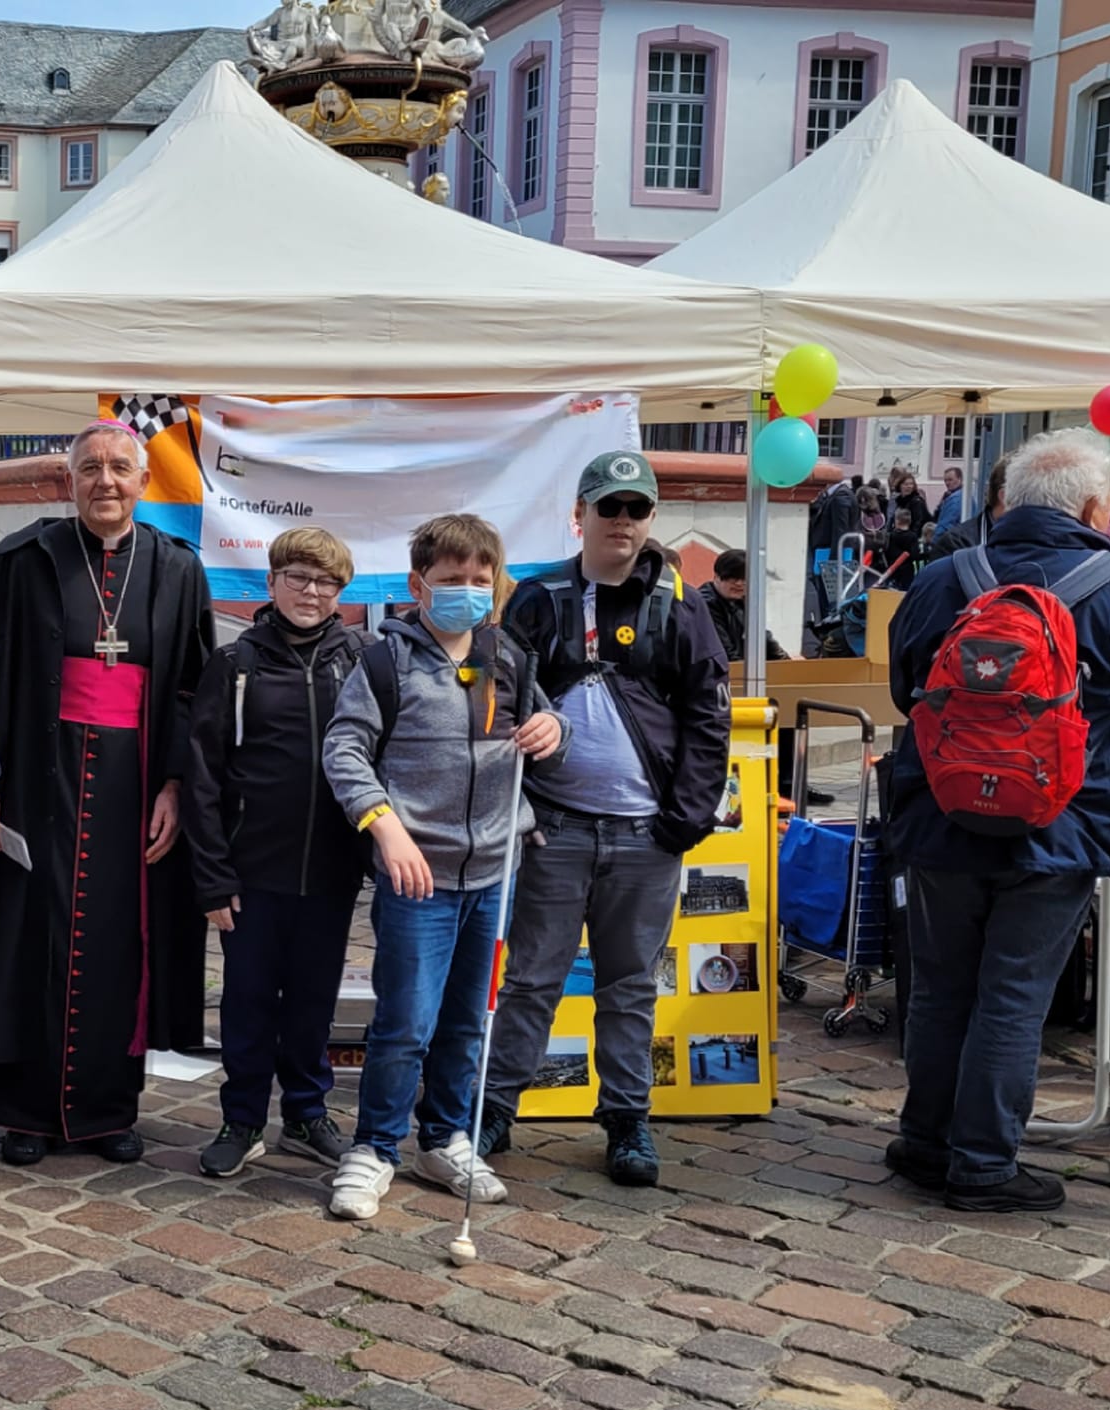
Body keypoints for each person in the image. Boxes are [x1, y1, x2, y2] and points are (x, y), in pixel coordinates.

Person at [885, 428, 1110, 1212]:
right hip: (1060, 823)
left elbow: (904, 689)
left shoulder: (945, 576)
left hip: (942, 812)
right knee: (1015, 994)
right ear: (1097, 507)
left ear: (1005, 501)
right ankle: (985, 1163)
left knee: (940, 986)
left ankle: (925, 1141)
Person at [0, 421, 213, 1167]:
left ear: (144, 482)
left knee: (118, 941)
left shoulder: (178, 568)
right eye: (89, 468)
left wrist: (175, 781)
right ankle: (24, 1111)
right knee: (32, 936)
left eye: (120, 469)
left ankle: (105, 1110)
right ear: (68, 480)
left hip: (134, 779)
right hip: (36, 771)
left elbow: (193, 686)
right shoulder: (21, 560)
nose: (105, 482)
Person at [480, 453, 729, 1184]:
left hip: (644, 834)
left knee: (629, 987)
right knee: (530, 979)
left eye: (636, 509)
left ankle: (626, 1120)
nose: (622, 521)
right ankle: (496, 1106)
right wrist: (536, 725)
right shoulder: (540, 596)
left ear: (650, 519)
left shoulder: (682, 603)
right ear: (580, 514)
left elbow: (708, 720)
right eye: (609, 506)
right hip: (556, 827)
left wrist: (682, 822)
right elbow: (500, 685)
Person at [321, 513, 566, 1219]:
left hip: (494, 873)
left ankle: (446, 1137)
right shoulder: (384, 662)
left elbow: (549, 728)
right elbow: (345, 751)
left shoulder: (508, 656)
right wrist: (385, 827)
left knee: (468, 1018)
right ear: (417, 585)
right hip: (417, 879)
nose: (465, 591)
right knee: (406, 1021)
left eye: (478, 581)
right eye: (450, 580)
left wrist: (557, 728)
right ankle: (374, 1147)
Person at [184, 529, 367, 1178]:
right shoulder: (236, 664)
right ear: (272, 583)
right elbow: (202, 776)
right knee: (249, 1000)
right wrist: (211, 875)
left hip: (332, 869)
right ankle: (242, 1118)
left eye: (326, 582)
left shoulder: (361, 660)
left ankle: (308, 1114)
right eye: (299, 577)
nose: (312, 592)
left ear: (342, 593)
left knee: (314, 1000)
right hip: (250, 870)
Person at [700, 547, 790, 663]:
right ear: (717, 577)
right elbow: (723, 650)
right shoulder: (705, 604)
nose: (739, 584)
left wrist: (787, 662)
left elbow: (761, 637)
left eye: (744, 579)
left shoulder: (745, 600)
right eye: (732, 578)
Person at [805, 473, 859, 656]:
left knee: (830, 599)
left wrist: (835, 560)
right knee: (829, 597)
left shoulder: (840, 497)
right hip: (828, 552)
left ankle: (831, 640)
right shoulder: (836, 496)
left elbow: (841, 530)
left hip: (831, 554)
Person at [933, 466, 965, 537]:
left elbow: (947, 524)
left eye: (950, 480)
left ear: (959, 479)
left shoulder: (956, 498)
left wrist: (935, 541)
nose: (947, 483)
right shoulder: (950, 496)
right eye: (945, 480)